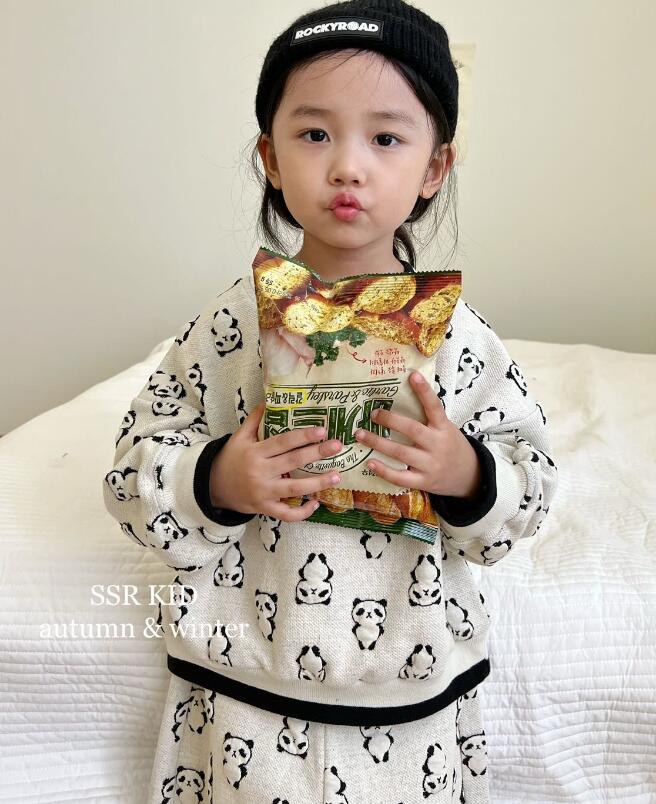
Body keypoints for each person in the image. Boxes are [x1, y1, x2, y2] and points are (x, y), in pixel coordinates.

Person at [102, 1, 559, 802]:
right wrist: (218, 479)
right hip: (239, 690)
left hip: (410, 706)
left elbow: (535, 482)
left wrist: (466, 474)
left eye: (386, 138)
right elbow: (131, 473)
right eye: (315, 134)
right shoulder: (230, 327)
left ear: (434, 169)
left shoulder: (459, 341)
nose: (349, 166)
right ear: (271, 158)